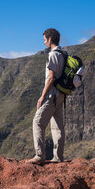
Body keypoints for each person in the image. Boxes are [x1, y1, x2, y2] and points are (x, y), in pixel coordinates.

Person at [29, 28, 66, 164]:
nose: (44, 42)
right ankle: (58, 157)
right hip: (61, 95)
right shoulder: (63, 53)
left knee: (37, 122)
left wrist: (42, 96)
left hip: (52, 95)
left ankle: (39, 155)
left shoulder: (53, 55)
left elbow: (51, 77)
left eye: (44, 39)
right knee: (57, 126)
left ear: (50, 39)